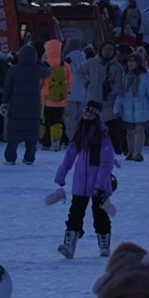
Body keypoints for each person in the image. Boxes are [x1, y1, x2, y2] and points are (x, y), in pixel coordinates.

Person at [54, 100, 118, 260]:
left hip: (99, 184)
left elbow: (107, 163)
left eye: (91, 115)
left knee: (100, 215)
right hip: (81, 183)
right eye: (86, 115)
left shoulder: (103, 138)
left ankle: (104, 244)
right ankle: (69, 244)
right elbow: (69, 157)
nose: (87, 118)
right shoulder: (79, 136)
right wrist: (61, 176)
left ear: (97, 118)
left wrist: (100, 185)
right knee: (75, 214)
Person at [0, 44, 46, 165]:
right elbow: (48, 72)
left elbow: (7, 89)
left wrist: (4, 102)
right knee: (32, 132)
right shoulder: (38, 70)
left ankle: (10, 158)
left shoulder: (13, 70)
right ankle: (29, 157)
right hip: (34, 106)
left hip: (16, 106)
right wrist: (38, 62)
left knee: (14, 132)